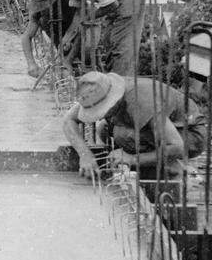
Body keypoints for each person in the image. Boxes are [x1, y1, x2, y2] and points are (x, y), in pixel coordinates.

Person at [63, 71, 204, 180]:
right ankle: (143, 159)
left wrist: (131, 159)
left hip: (190, 134)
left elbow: (178, 147)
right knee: (104, 129)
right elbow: (68, 119)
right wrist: (84, 154)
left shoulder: (140, 102)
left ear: (113, 101)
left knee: (122, 135)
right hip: (163, 128)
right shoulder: (100, 90)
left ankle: (170, 171)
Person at [37, 0, 146, 76]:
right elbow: (80, 13)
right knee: (108, 39)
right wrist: (67, 37)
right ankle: (112, 78)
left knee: (121, 43)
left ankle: (122, 85)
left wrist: (88, 18)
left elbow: (111, 5)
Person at [21, 0, 78, 78]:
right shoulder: (40, 10)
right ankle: (62, 60)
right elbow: (26, 37)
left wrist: (68, 39)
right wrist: (31, 63)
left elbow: (81, 24)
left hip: (77, 38)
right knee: (43, 20)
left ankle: (67, 61)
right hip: (60, 42)